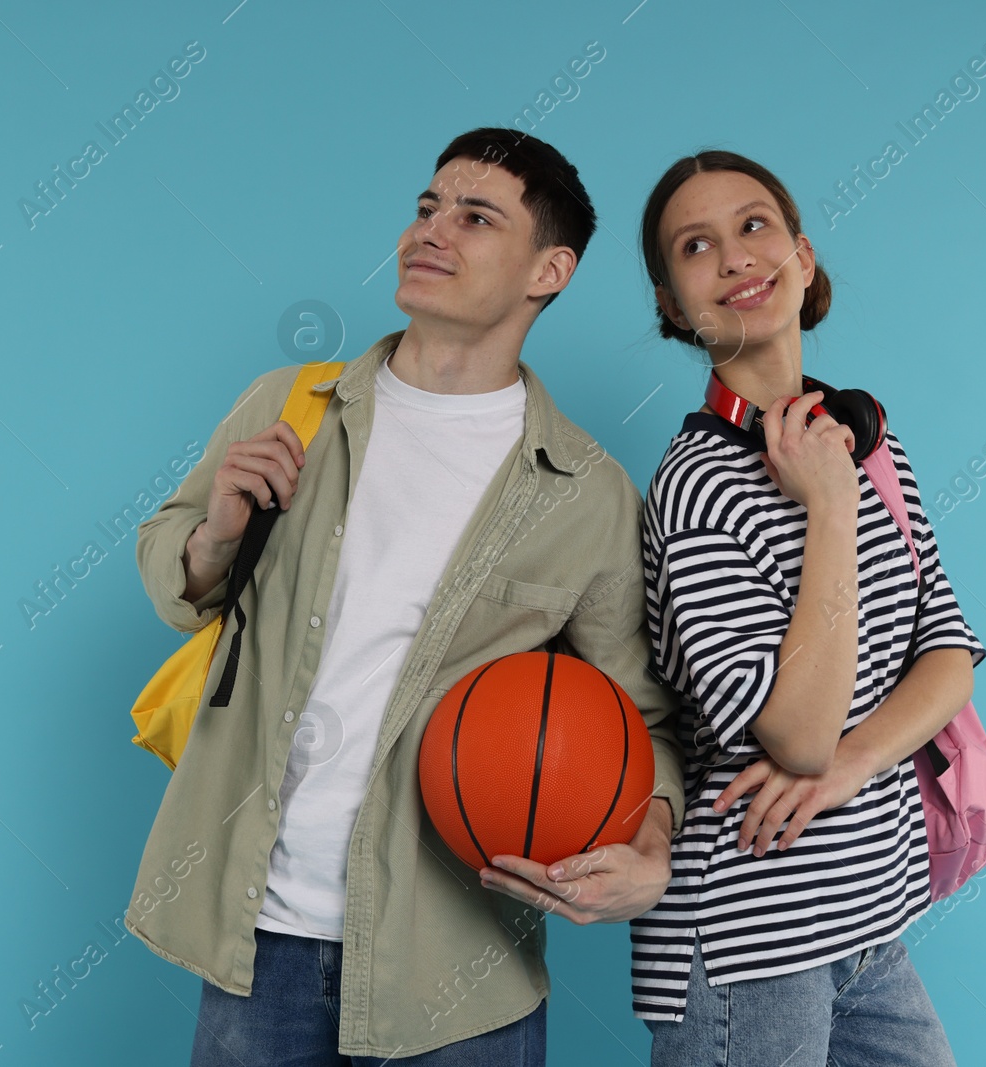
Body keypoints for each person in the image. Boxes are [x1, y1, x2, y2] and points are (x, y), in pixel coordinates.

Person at [125, 126, 688, 1066]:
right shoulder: (291, 402)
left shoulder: (584, 490)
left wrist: (654, 851)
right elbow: (168, 577)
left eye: (476, 217)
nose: (432, 230)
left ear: (549, 269)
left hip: (456, 971)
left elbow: (647, 715)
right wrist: (215, 534)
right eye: (427, 207)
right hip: (257, 940)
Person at [628, 149, 986, 1066]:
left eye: (754, 226)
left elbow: (945, 650)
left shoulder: (866, 439)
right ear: (675, 305)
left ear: (802, 254)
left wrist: (859, 763)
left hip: (869, 919)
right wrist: (827, 507)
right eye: (696, 246)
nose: (737, 257)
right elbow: (793, 737)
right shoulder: (695, 485)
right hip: (749, 940)